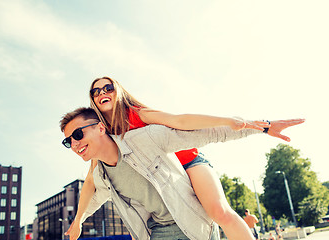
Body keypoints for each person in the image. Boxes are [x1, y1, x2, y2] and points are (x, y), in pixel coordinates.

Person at [83, 76, 299, 240]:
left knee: (219, 212)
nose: (102, 91)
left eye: (108, 87)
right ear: (93, 99)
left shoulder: (138, 114)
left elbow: (182, 121)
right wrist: (77, 221)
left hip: (188, 161)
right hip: (165, 178)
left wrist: (246, 123)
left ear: (118, 92)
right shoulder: (103, 134)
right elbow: (92, 179)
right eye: (96, 91)